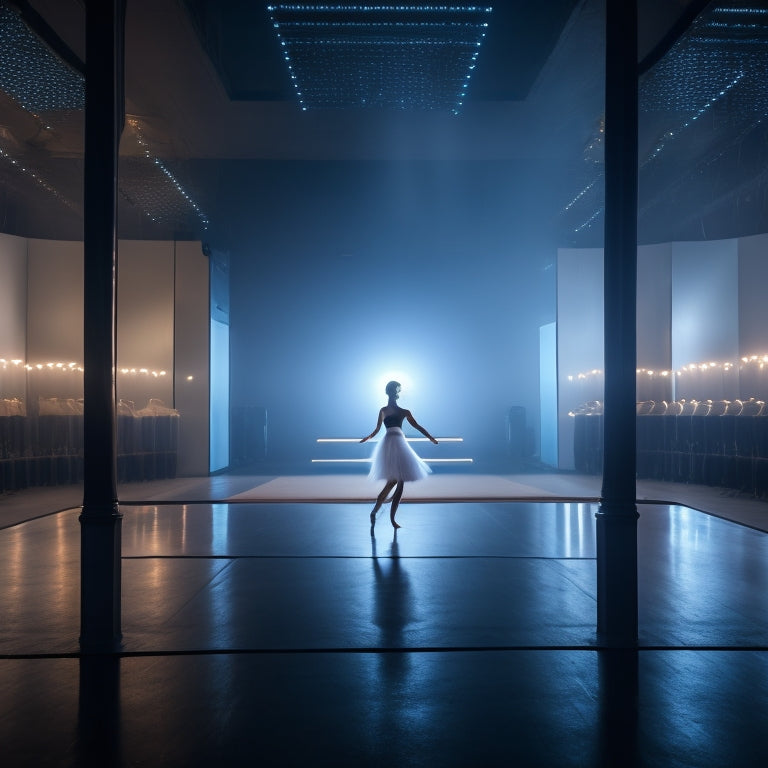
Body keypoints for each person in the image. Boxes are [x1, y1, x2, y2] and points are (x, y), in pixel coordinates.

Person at [361, 380, 438, 529]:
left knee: (396, 482)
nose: (396, 394)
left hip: (397, 442)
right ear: (393, 394)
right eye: (396, 391)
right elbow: (377, 429)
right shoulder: (385, 410)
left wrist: (430, 437)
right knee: (394, 482)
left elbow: (418, 426)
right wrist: (368, 437)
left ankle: (384, 515)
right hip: (391, 444)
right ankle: (382, 514)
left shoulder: (404, 411)